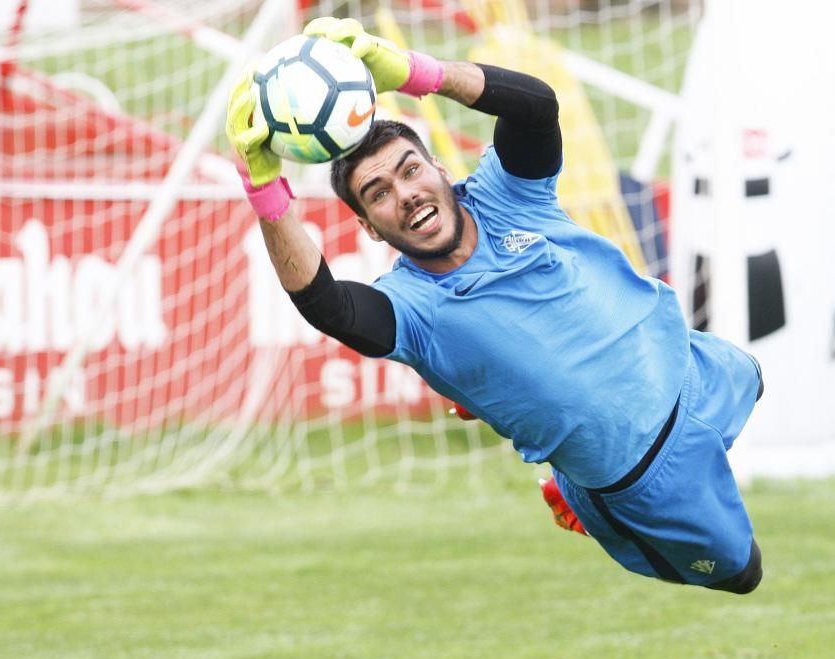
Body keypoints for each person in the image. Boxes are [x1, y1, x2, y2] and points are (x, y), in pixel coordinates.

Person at [226, 17, 764, 594]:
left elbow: (536, 107)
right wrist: (265, 190)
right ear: (369, 229)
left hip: (696, 366)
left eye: (410, 170)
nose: (405, 193)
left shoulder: (505, 194)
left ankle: (565, 475)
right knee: (744, 574)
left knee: (757, 377)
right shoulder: (412, 308)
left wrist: (411, 71)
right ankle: (579, 498)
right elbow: (328, 305)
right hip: (643, 476)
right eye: (379, 194)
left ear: (439, 170)